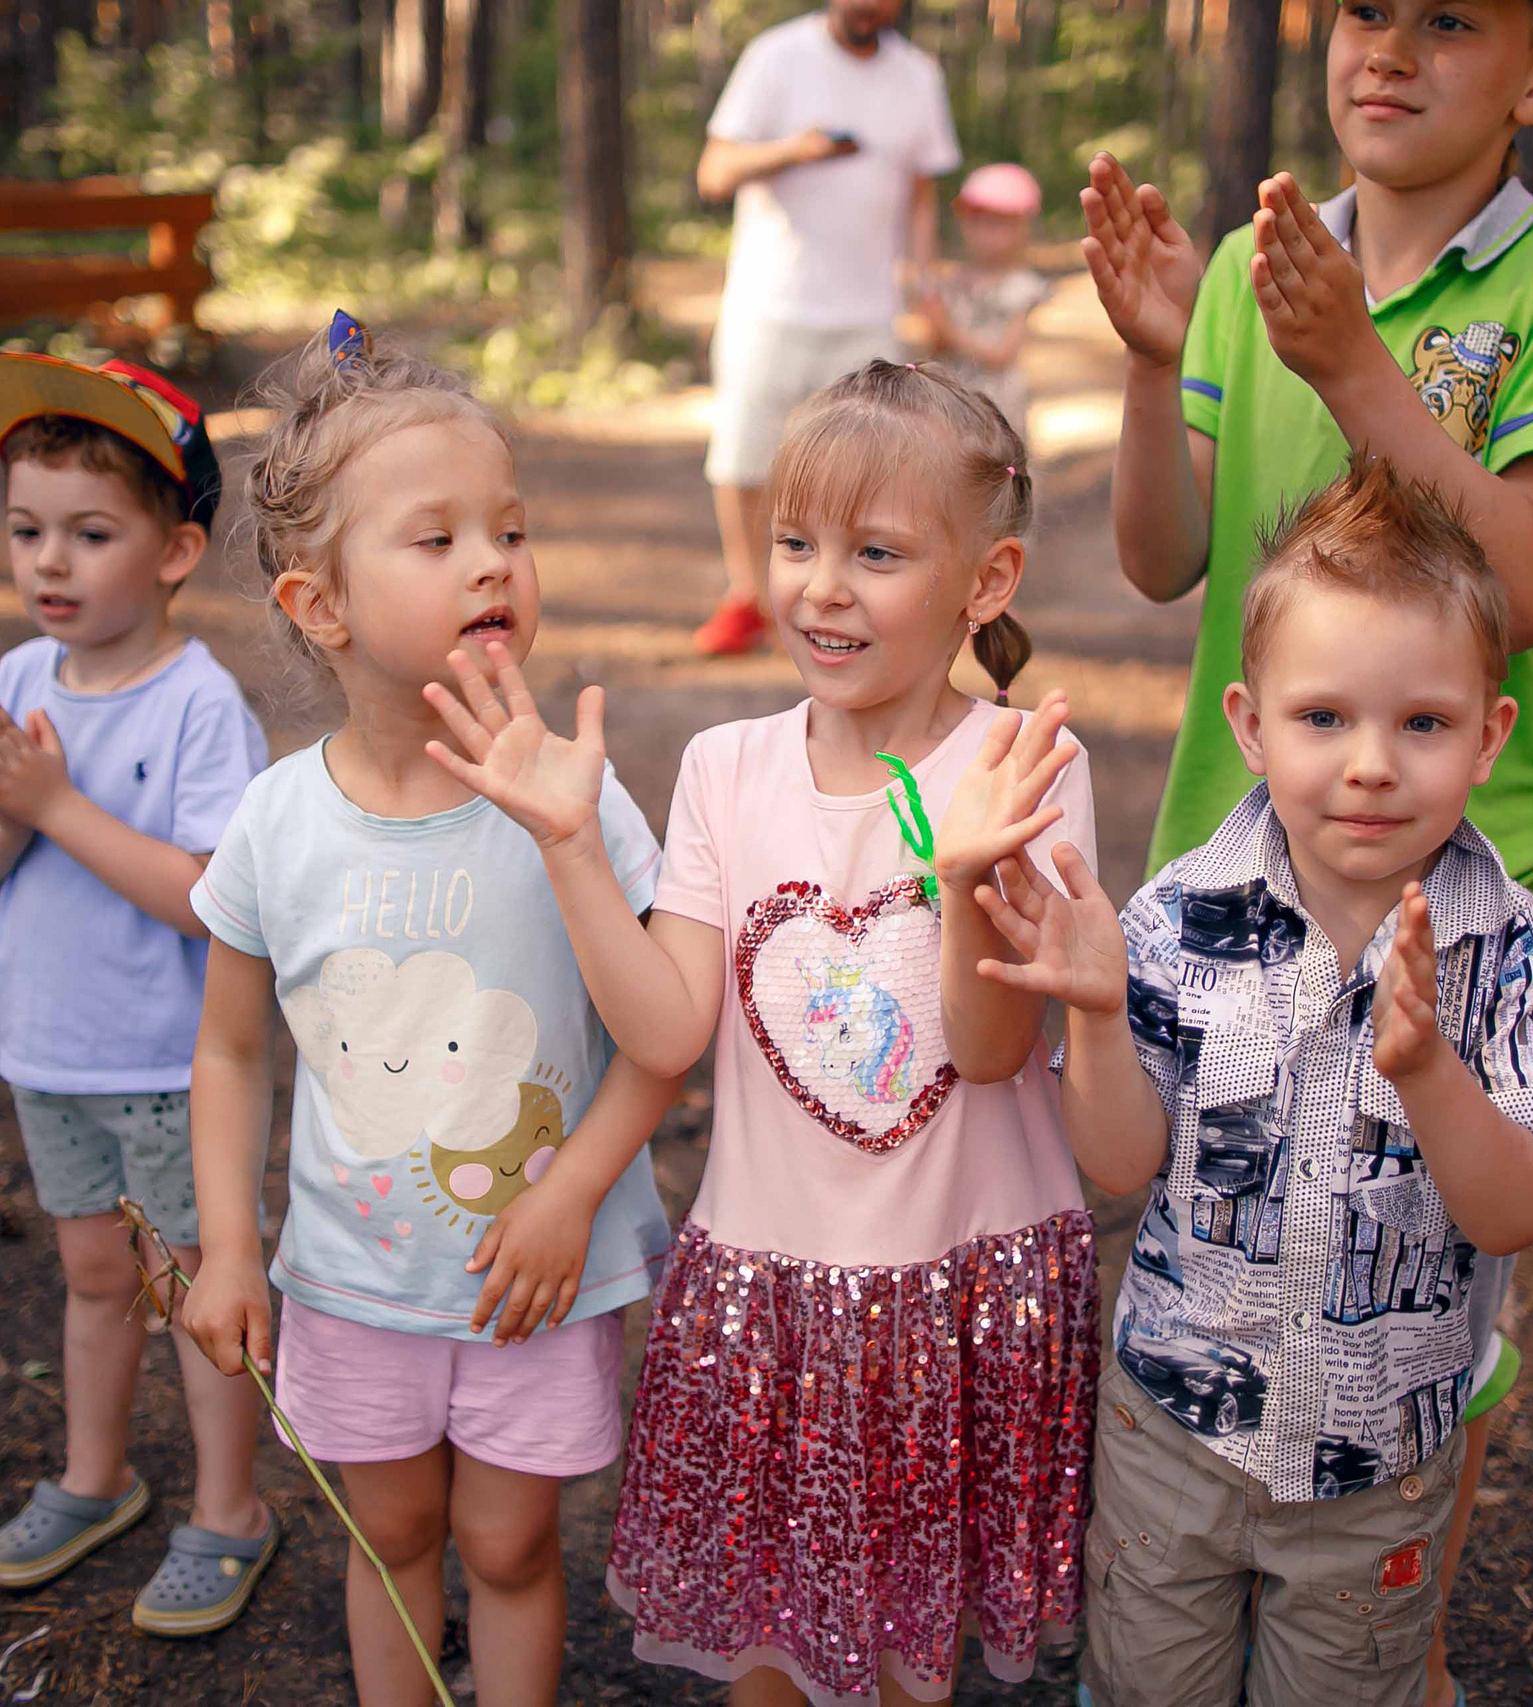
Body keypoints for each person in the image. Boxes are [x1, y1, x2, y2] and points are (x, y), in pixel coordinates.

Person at [1080, 0, 1533, 1690]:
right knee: (1235, 1231)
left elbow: (1526, 579)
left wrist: (1349, 365)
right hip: (1245, 869)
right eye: (1363, 11)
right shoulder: (1256, 270)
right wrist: (1151, 358)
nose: (1388, 50)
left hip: (1456, 875)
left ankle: (1389, 1641)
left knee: (1416, 1288)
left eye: (1449, 20)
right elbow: (1161, 557)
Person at [426, 362, 1095, 1705]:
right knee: (769, 1652)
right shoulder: (725, 767)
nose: (821, 588)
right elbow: (669, 1026)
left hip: (954, 1291)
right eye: (795, 543)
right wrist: (570, 847)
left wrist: (966, 878)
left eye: (876, 553)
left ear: (987, 579)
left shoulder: (1026, 768)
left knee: (906, 1662)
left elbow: (990, 1051)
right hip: (773, 1302)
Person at [974, 453, 1533, 1706]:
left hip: (1380, 1471)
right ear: (1249, 726)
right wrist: (1097, 1014)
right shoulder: (1177, 918)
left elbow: (1513, 1215)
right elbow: (1122, 1164)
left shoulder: (1507, 948)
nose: (1370, 764)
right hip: (1173, 1435)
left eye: (1421, 723)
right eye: (1323, 718)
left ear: (1489, 736)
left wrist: (1427, 1073)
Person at [179, 315, 678, 1707]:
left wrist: (573, 1194)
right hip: (351, 1281)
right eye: (438, 538)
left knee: (509, 1542)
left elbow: (661, 1037)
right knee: (391, 1533)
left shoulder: (574, 801)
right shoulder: (277, 823)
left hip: (536, 1274)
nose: (492, 562)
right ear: (319, 605)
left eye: (510, 531)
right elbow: (229, 1048)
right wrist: (230, 1247)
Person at [0, 353, 277, 1634]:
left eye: (90, 534)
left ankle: (229, 1510)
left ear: (176, 549)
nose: (50, 562)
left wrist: (54, 804)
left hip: (166, 1062)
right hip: (52, 1054)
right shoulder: (21, 677)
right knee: (94, 1276)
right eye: (26, 530)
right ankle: (96, 1479)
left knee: (192, 1287)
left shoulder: (198, 706)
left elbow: (208, 895)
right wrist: (6, 808)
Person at [689, 0, 961, 656]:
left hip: (868, 311)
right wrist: (796, 149)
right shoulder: (775, 55)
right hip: (768, 302)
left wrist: (926, 290)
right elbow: (714, 173)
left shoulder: (918, 75)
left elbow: (922, 198)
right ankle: (747, 599)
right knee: (745, 460)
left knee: (870, 471)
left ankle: (849, 606)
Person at [918, 162, 1053, 439]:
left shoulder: (1021, 286)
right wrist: (932, 323)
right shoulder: (953, 281)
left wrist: (948, 330)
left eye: (995, 224)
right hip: (953, 404)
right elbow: (937, 350)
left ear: (1021, 227)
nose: (983, 234)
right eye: (975, 222)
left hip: (998, 410)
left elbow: (1002, 355)